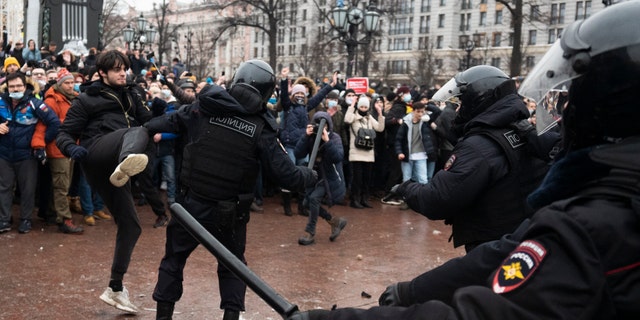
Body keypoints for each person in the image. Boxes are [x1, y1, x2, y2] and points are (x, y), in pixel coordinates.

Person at [288, 2, 640, 319]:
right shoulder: (520, 133)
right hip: (500, 234)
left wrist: (408, 190)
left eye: (575, 93)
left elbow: (478, 299)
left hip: (488, 235)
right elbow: (514, 243)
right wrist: (418, 288)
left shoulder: (588, 227)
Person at [145, 59, 317, 320]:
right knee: (233, 268)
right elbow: (287, 176)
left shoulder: (204, 108)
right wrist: (310, 175)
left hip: (190, 207)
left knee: (173, 261)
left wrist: (141, 130)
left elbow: (167, 123)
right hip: (229, 213)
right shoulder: (261, 126)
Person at [396, 66, 550, 252]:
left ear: (478, 100)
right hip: (520, 235)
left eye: (462, 102)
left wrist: (405, 188)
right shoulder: (523, 129)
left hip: (492, 244)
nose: (459, 108)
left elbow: (438, 199)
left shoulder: (478, 146)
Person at [56, 50, 154, 313]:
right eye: (117, 69)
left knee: (131, 226)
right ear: (102, 73)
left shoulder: (133, 94)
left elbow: (150, 124)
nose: (124, 73)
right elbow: (64, 134)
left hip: (118, 168)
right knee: (134, 132)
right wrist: (72, 150)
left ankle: (115, 288)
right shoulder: (87, 99)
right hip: (97, 154)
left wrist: (175, 117)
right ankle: (127, 161)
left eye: (126, 68)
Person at [0, 72, 60, 234]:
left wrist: (40, 143)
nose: (15, 89)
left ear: (25, 86)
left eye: (18, 86)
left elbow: (54, 122)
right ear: (7, 87)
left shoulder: (34, 103)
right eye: (12, 86)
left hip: (27, 155)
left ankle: (26, 219)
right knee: (4, 188)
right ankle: (4, 220)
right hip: (4, 154)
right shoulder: (1, 102)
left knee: (28, 189)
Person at [33, 68, 84, 232]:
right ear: (60, 84)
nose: (71, 86)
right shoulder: (52, 101)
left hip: (70, 148)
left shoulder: (74, 99)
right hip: (58, 149)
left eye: (72, 82)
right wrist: (39, 145)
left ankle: (52, 213)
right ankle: (64, 220)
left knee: (63, 184)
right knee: (61, 186)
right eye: (67, 83)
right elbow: (42, 126)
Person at [295, 111, 348, 246]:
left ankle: (310, 232)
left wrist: (327, 141)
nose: (320, 128)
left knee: (314, 199)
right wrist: (305, 137)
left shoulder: (334, 137)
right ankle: (335, 221)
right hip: (315, 175)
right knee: (307, 203)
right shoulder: (311, 137)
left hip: (329, 177)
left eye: (323, 125)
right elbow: (298, 153)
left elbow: (338, 157)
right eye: (317, 124)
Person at [343, 96, 385, 208]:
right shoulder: (353, 117)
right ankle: (354, 199)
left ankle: (364, 199)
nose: (363, 108)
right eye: (361, 106)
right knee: (357, 179)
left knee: (367, 178)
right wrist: (352, 105)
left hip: (368, 152)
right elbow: (347, 119)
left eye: (365, 106)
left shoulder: (369, 117)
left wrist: (380, 113)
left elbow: (380, 128)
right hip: (356, 152)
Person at [394, 102, 436, 187]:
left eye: (422, 111)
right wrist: (399, 152)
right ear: (413, 111)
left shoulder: (425, 122)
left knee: (423, 180)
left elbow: (437, 111)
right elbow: (398, 139)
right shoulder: (406, 123)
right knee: (407, 180)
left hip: (421, 154)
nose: (420, 114)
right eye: (418, 111)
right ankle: (406, 198)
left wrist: (427, 105)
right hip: (407, 154)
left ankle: (421, 198)